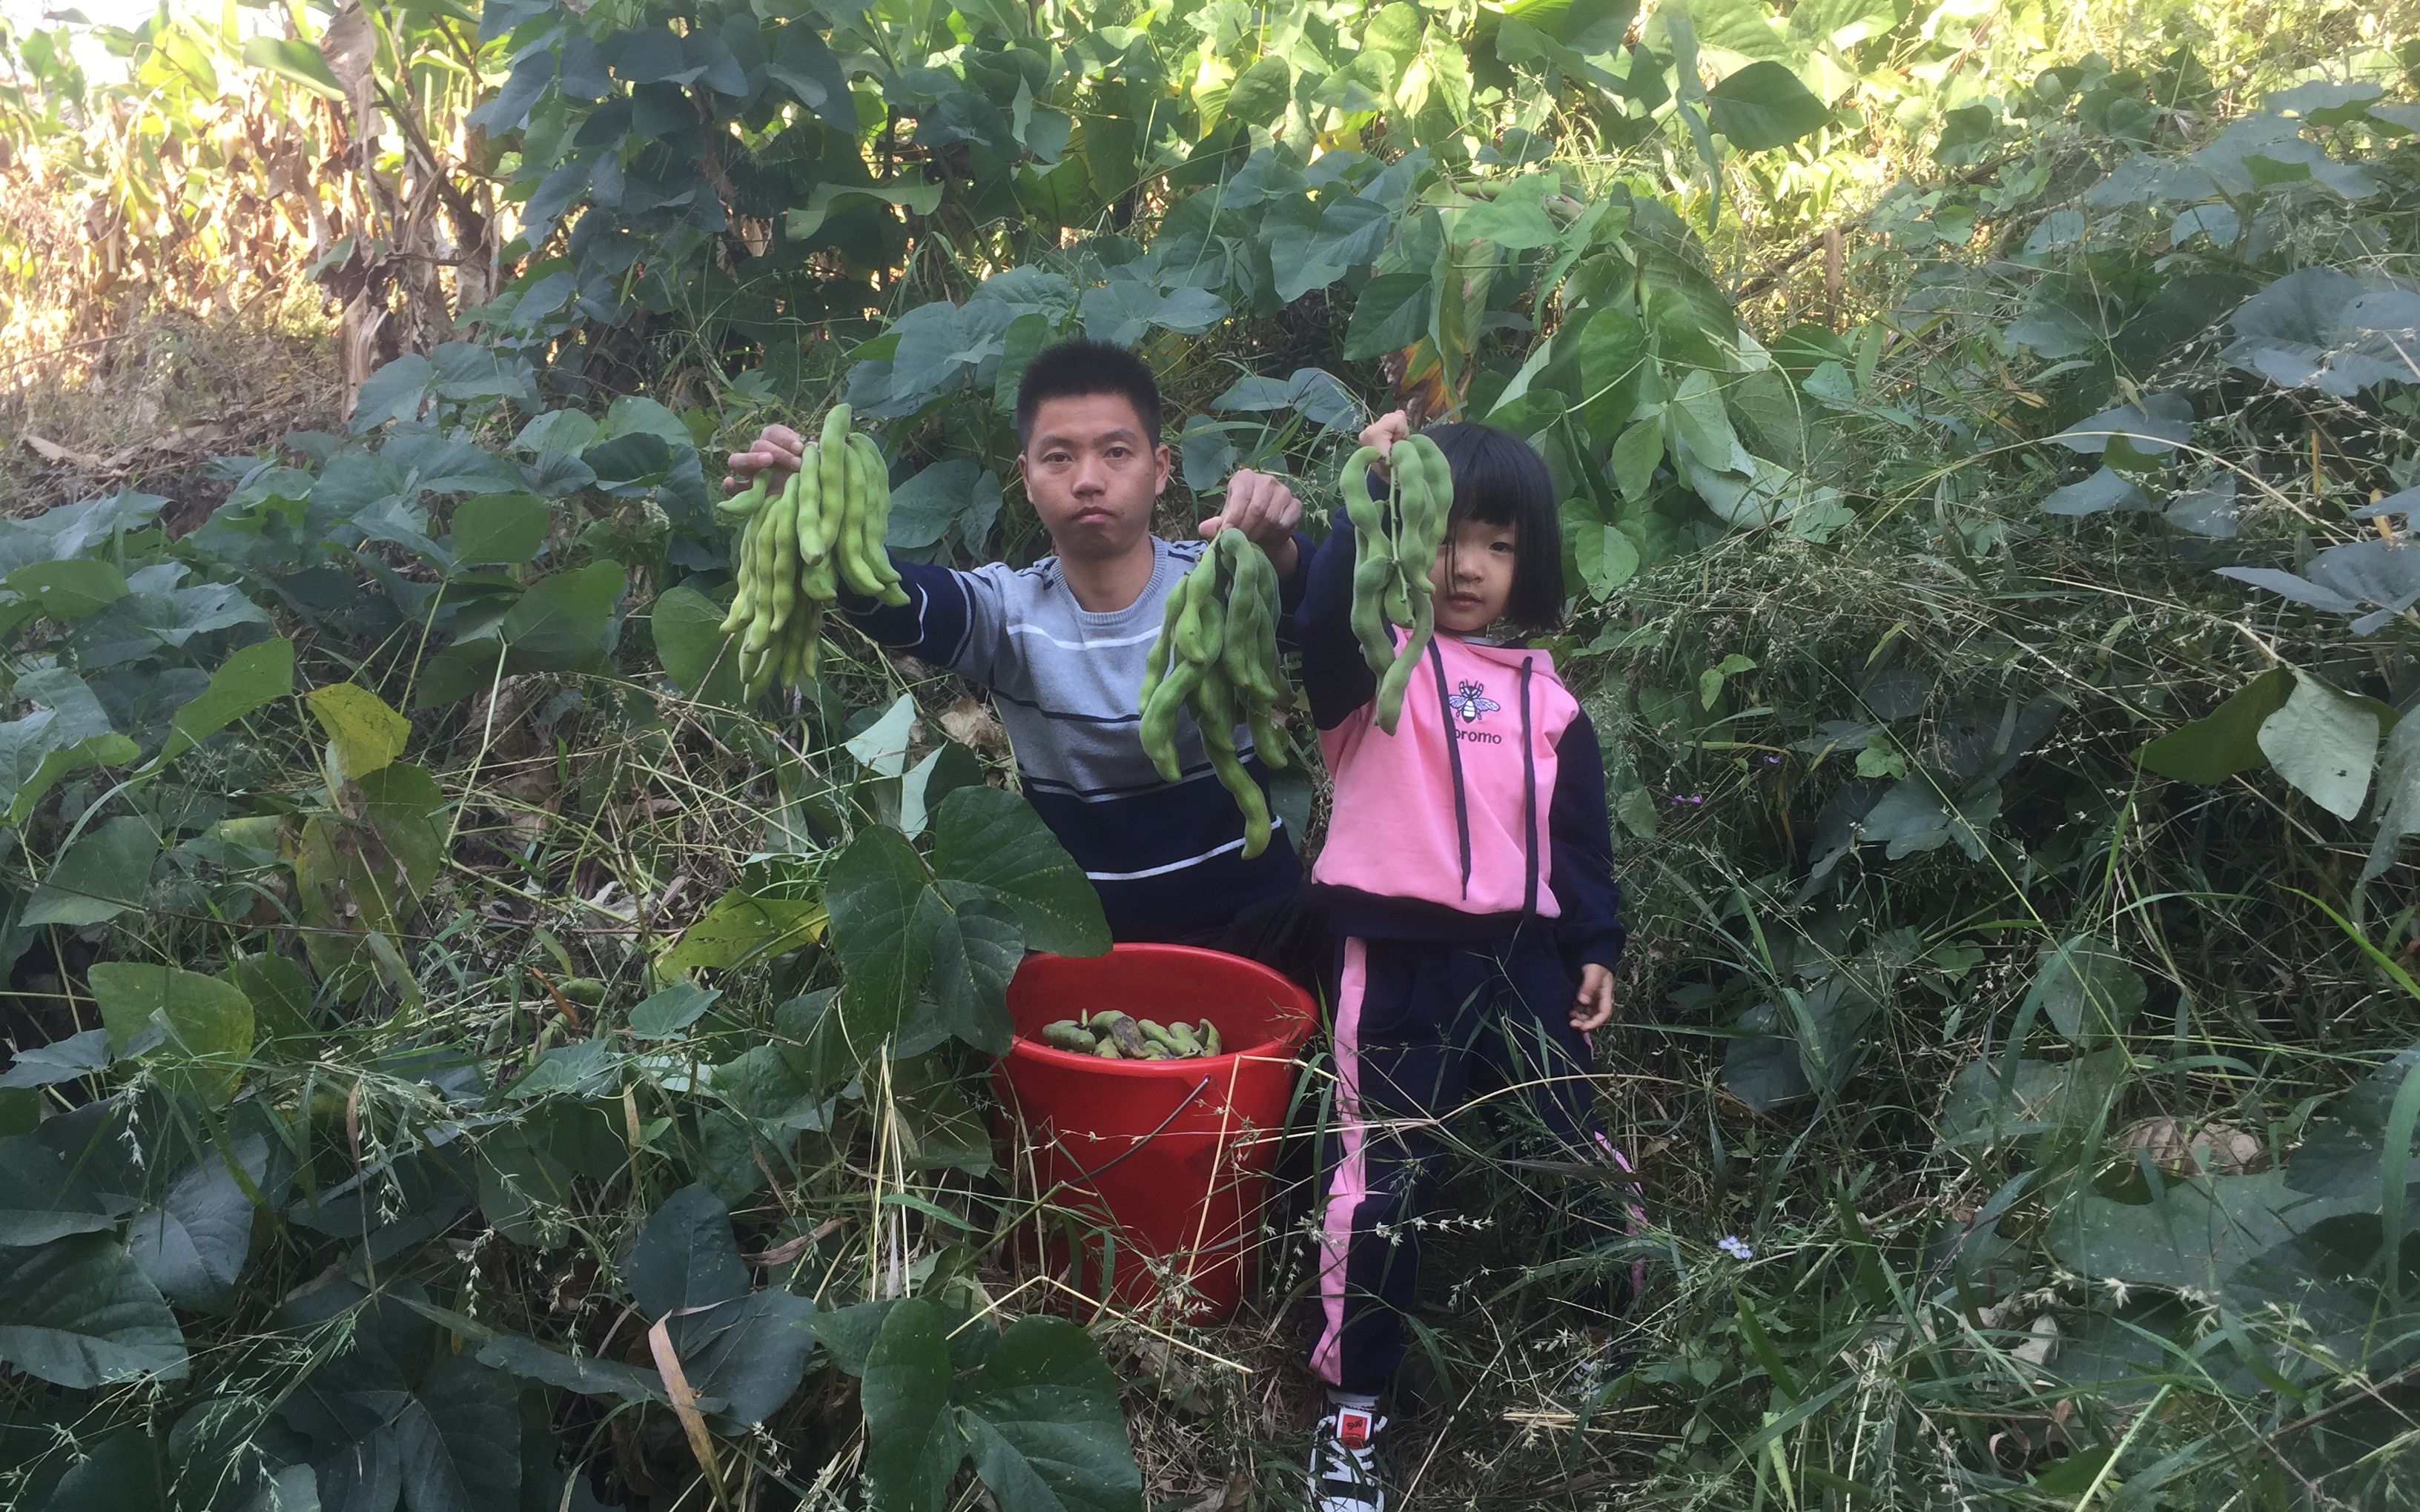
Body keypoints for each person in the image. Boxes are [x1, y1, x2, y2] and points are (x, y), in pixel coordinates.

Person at [1291, 410, 1643, 1512]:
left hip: (1525, 959)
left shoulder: (1552, 701)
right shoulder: (1370, 667)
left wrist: (1596, 943)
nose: (1467, 564)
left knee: (1567, 1138)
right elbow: (1312, 625)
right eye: (1444, 534)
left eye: (1496, 542)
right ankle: (1354, 1407)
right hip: (1393, 960)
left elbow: (1580, 840)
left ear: (1527, 560)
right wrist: (1373, 486)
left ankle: (1620, 1317)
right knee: (1381, 1178)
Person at [723, 339, 1323, 979]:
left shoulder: (1226, 581)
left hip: (1255, 930)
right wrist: (815, 504)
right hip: (1088, 947)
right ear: (1027, 479)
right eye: (1058, 456)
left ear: (1161, 467)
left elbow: (1320, 614)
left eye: (1117, 452)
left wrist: (1281, 546)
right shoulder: (1010, 613)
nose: (1088, 479)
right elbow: (897, 601)